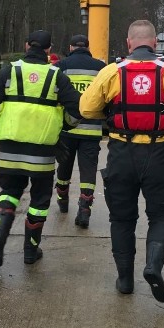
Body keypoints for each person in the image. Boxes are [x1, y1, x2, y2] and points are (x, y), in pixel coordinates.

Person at [80, 20, 164, 302]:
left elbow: (87, 109)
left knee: (121, 219)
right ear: (155, 44)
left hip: (122, 152)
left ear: (128, 43)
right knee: (163, 216)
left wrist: (114, 113)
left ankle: (125, 280)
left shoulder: (111, 72)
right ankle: (153, 266)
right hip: (160, 153)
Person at [0, 30, 81, 267]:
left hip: (10, 149)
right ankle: (30, 251)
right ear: (48, 50)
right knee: (40, 200)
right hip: (43, 151)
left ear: (26, 46)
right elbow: (77, 110)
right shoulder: (57, 77)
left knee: (10, 191)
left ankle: (0, 230)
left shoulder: (10, 72)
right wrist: (62, 125)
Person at [54, 34, 107, 228]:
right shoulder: (100, 69)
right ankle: (85, 208)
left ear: (70, 46)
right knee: (88, 170)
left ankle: (63, 198)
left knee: (64, 167)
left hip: (66, 128)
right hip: (92, 130)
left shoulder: (62, 66)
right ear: (87, 46)